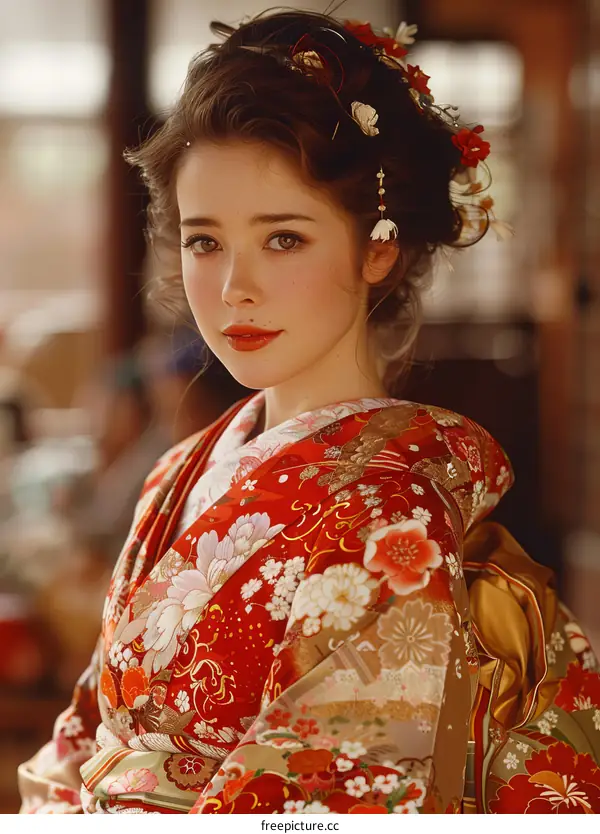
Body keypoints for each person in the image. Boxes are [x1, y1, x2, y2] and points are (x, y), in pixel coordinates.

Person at [18, 10, 600, 815]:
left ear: (379, 249)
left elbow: (331, 796)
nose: (233, 290)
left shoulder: (393, 508)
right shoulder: (175, 472)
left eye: (283, 239)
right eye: (204, 241)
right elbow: (82, 739)